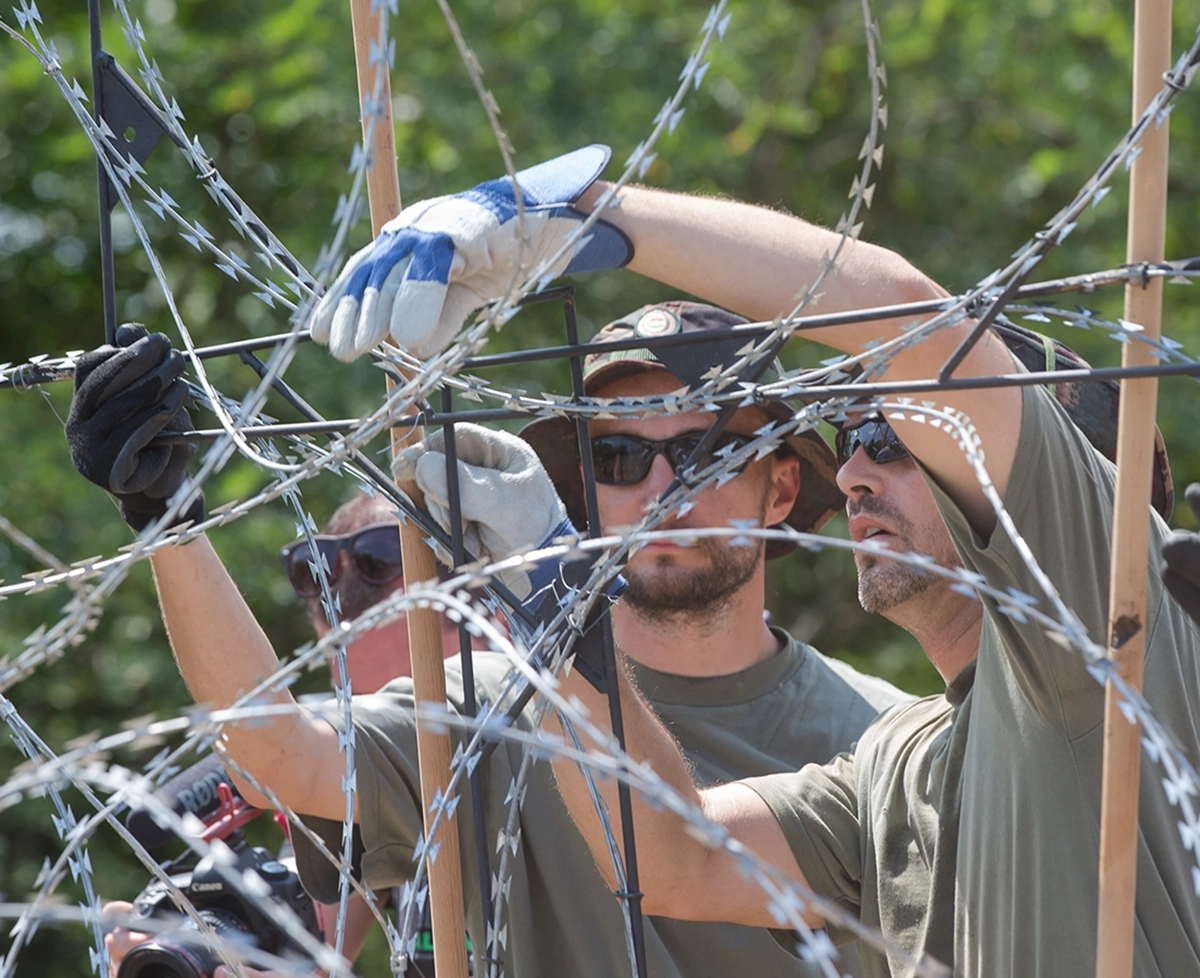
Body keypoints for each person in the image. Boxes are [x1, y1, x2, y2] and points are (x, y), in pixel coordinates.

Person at [299, 147, 1200, 976]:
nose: (848, 470)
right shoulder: (905, 757)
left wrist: (577, 216)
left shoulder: (1102, 639)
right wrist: (557, 591)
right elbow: (671, 856)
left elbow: (908, 319)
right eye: (850, 435)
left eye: (891, 436)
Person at [66, 306, 909, 972]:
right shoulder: (484, 708)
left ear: (781, 486)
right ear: (584, 491)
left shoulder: (889, 739)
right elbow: (274, 748)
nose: (660, 489)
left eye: (705, 455)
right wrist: (167, 517)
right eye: (618, 457)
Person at [103, 491, 463, 978]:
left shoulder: (559, 743)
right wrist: (207, 941)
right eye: (354, 704)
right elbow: (311, 944)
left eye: (397, 706)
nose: (369, 736)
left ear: (485, 620)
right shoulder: (363, 777)